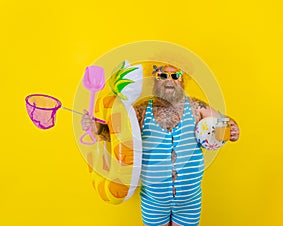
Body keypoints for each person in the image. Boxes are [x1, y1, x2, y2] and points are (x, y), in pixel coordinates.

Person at [81, 64, 240, 226]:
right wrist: (96, 128)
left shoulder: (196, 106)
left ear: (182, 80)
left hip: (189, 202)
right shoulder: (141, 111)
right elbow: (116, 134)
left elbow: (223, 122)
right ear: (155, 82)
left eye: (175, 75)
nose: (169, 80)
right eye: (162, 76)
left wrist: (233, 128)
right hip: (154, 202)